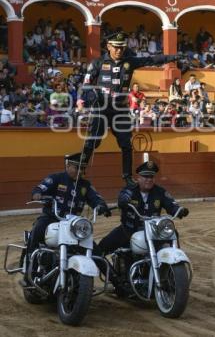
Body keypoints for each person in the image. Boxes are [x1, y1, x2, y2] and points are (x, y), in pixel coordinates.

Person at [80, 33, 178, 188]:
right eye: (116, 47)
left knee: (126, 144)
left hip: (120, 108)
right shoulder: (98, 63)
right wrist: (84, 99)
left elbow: (151, 60)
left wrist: (172, 57)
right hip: (101, 107)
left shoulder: (129, 62)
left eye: (122, 47)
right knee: (92, 141)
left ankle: (127, 176)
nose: (119, 50)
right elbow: (86, 84)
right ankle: (80, 169)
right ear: (109, 46)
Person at [95, 160, 189, 256]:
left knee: (172, 233)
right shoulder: (130, 190)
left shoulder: (160, 192)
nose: (149, 179)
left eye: (151, 176)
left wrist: (178, 210)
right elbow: (122, 198)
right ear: (138, 178)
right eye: (145, 176)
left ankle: (174, 259)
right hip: (129, 230)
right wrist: (123, 200)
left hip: (153, 232)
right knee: (100, 250)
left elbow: (171, 204)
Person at [27, 153, 110, 257]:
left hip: (74, 224)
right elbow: (41, 187)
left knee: (94, 250)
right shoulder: (56, 178)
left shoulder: (86, 185)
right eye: (77, 168)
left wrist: (101, 205)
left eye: (83, 169)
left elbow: (95, 198)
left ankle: (110, 273)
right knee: (37, 230)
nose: (80, 172)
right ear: (68, 166)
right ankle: (30, 263)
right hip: (52, 218)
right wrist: (37, 193)